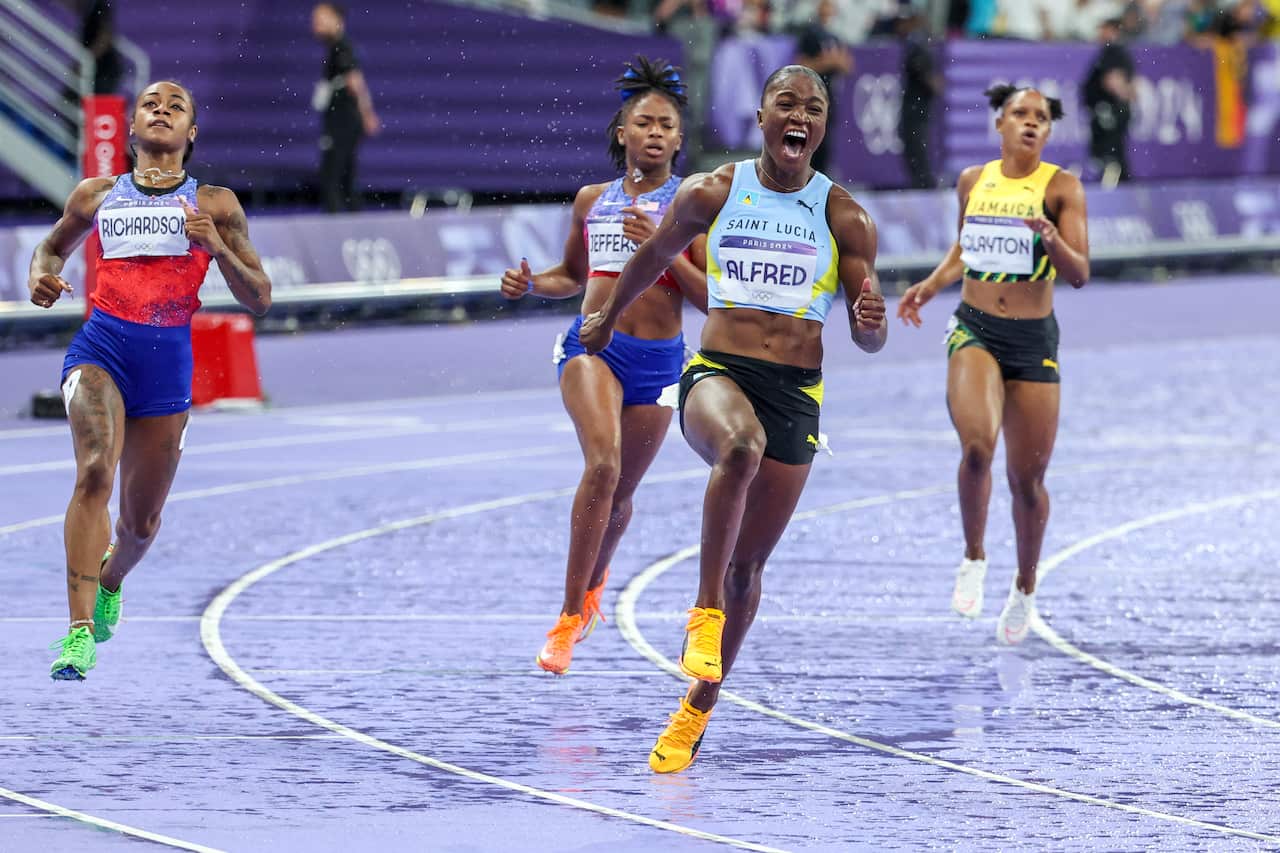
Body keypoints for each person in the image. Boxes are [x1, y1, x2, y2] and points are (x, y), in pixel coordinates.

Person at [580, 64, 887, 773]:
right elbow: (653, 254)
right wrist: (604, 317)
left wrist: (871, 323)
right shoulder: (715, 191)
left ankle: (697, 706)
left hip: (797, 391)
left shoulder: (844, 216)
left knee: (751, 566)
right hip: (717, 374)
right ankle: (703, 610)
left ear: (820, 128)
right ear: (762, 118)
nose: (799, 115)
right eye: (786, 102)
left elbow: (869, 336)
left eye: (813, 107)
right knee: (739, 449)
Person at [29, 80, 272, 680]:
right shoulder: (96, 195)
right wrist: (42, 276)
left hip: (166, 368)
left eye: (177, 106)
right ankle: (78, 632)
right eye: (149, 104)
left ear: (190, 135)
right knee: (93, 473)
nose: (161, 110)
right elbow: (51, 250)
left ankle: (111, 579)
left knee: (139, 525)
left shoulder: (215, 204)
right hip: (101, 349)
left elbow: (260, 297)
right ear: (132, 128)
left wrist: (216, 247)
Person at [500, 57, 708, 676]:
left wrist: (661, 246)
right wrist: (531, 283)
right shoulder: (593, 200)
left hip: (662, 363)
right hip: (594, 348)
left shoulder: (695, 204)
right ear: (622, 132)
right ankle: (566, 618)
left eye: (665, 125)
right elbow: (572, 275)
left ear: (678, 139)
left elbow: (707, 298)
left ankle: (592, 591)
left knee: (622, 494)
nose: (654, 133)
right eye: (642, 122)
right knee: (602, 464)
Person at [896, 85, 1090, 646]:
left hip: (1033, 341)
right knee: (977, 445)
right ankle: (974, 556)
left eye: (1041, 119)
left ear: (1049, 132)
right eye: (1020, 115)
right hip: (975, 327)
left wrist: (1052, 240)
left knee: (1026, 482)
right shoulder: (972, 181)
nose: (1031, 124)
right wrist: (930, 285)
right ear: (999, 123)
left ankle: (1025, 586)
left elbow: (1079, 274)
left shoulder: (1062, 187)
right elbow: (966, 249)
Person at [311, 2, 380, 213]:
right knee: (346, 176)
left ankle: (336, 229)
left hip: (343, 121)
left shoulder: (342, 46)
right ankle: (354, 223)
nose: (315, 25)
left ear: (336, 19)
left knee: (331, 176)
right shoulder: (337, 47)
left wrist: (367, 114)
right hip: (344, 121)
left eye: (320, 19)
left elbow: (355, 81)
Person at [794, 0, 854, 176]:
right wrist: (827, 62)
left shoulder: (835, 36)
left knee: (826, 140)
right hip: (811, 97)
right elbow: (802, 64)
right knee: (810, 140)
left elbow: (847, 65)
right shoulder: (810, 34)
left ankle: (820, 177)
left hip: (829, 97)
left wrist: (836, 62)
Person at [1083, 17, 1135, 186]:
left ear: (1114, 31)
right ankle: (1123, 186)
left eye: (1104, 29)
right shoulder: (1117, 52)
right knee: (1114, 150)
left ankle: (1111, 189)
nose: (1100, 33)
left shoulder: (1113, 51)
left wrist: (1117, 104)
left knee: (1108, 152)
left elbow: (1113, 80)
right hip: (1111, 109)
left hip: (1109, 110)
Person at [898, 10, 941, 189]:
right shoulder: (920, 43)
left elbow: (925, 76)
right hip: (917, 109)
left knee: (916, 152)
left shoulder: (916, 45)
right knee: (916, 152)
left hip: (915, 111)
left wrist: (933, 83)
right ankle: (924, 185)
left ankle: (925, 187)